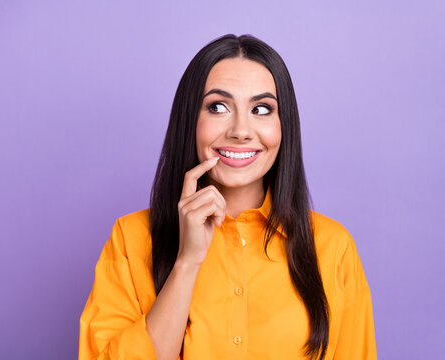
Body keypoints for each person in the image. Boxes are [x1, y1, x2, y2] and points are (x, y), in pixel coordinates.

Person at [78, 34, 377, 360]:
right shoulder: (131, 239)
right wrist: (186, 263)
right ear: (189, 121)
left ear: (283, 126)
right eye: (218, 107)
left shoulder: (333, 247)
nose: (241, 130)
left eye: (261, 109)